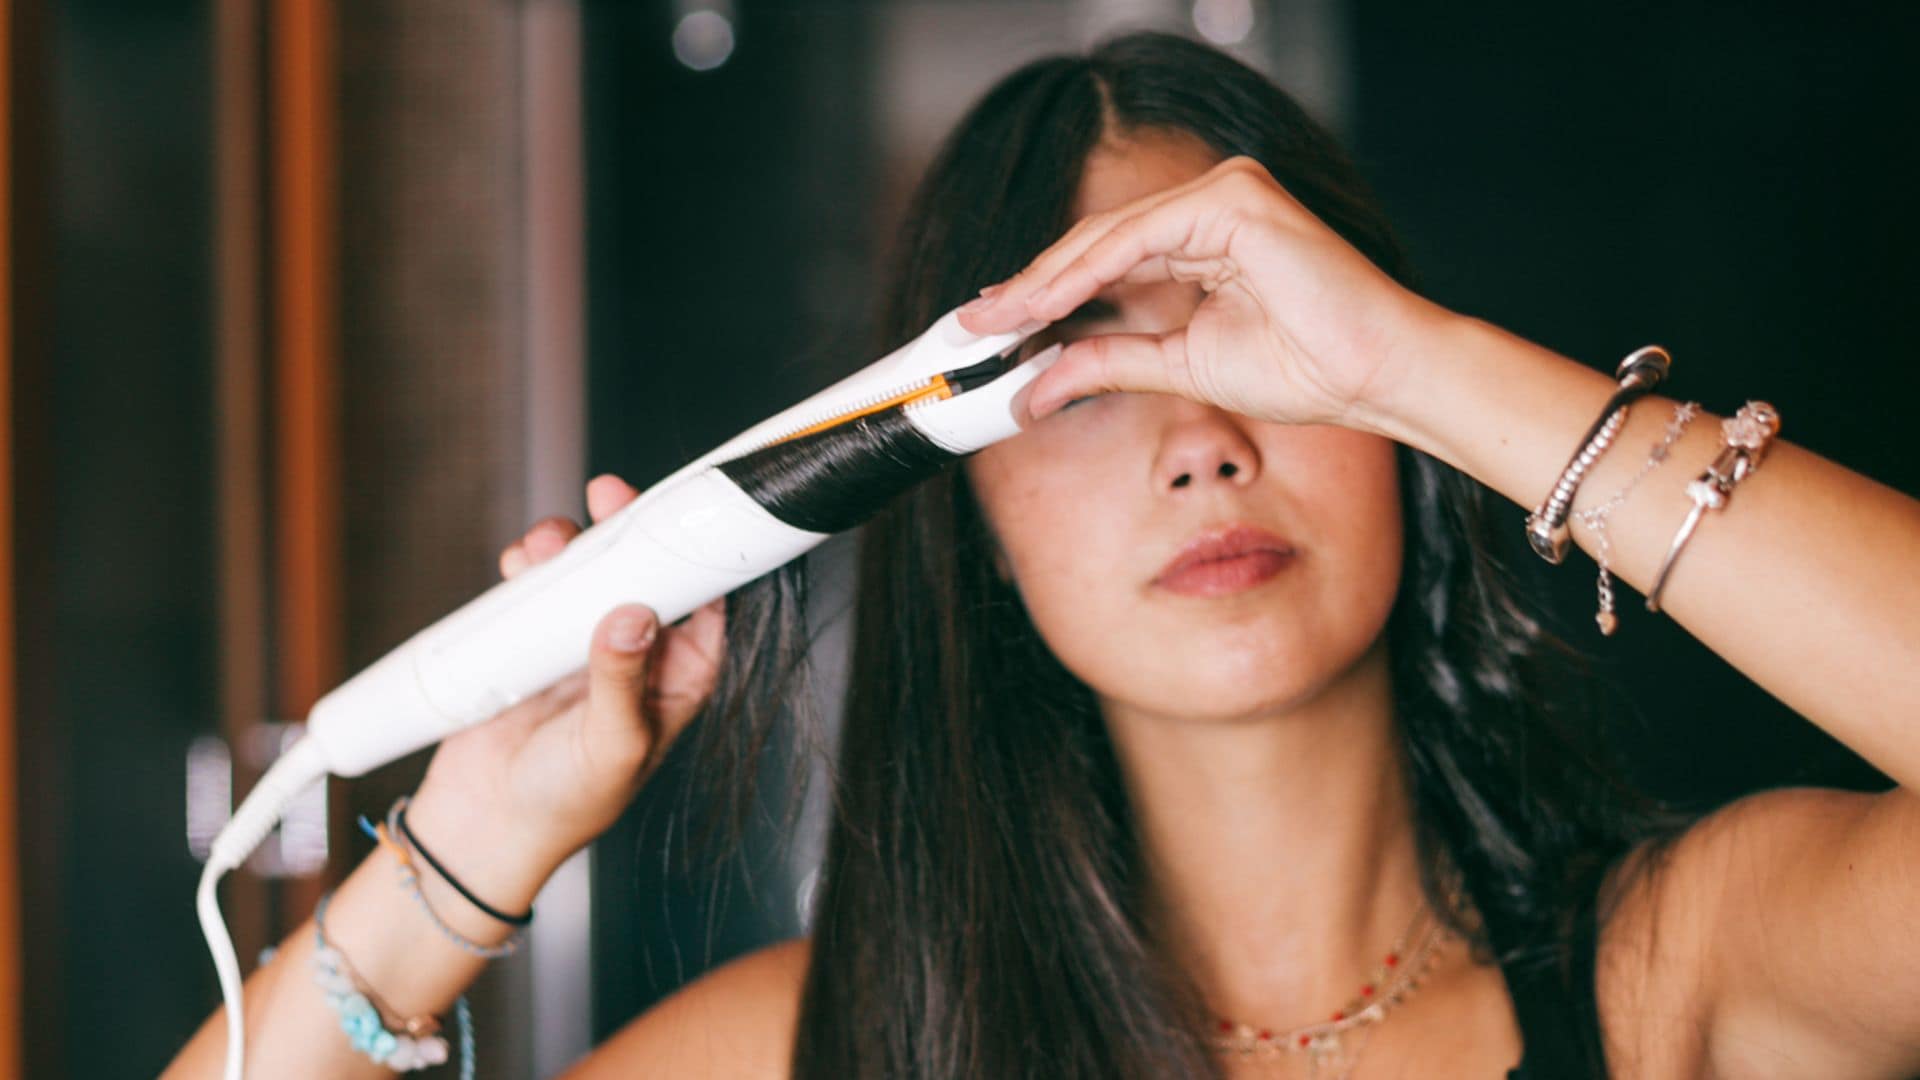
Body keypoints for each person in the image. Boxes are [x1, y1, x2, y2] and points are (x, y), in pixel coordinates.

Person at [165, 31, 1920, 1080]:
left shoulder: (1687, 975)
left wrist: (1429, 368)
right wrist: (477, 840)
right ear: (976, 524)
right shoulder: (828, 1050)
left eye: (1248, 350)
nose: (1201, 441)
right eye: (1082, 387)